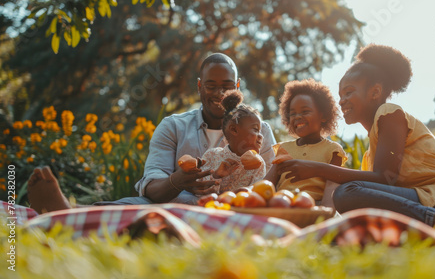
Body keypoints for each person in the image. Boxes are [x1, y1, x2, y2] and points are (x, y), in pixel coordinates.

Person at [275, 44, 435, 227]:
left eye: (349, 92)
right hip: (428, 200)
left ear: (375, 92)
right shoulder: (371, 152)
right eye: (340, 94)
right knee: (350, 198)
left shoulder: (389, 114)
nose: (342, 100)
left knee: (346, 192)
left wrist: (316, 168)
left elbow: (385, 177)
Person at [27, 53, 276, 213]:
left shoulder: (260, 130)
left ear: (238, 87)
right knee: (136, 207)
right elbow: (151, 188)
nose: (220, 94)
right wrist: (179, 180)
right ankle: (68, 213)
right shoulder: (173, 126)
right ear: (199, 86)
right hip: (173, 208)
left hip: (240, 210)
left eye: (227, 86)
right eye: (211, 85)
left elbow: (271, 183)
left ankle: (70, 213)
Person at [264, 78, 347, 206]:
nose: (297, 117)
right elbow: (267, 183)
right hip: (283, 204)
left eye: (305, 111)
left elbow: (332, 186)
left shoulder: (333, 150)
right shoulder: (284, 148)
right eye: (292, 113)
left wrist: (326, 214)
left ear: (324, 116)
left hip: (315, 205)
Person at [193, 89, 266, 193]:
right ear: (234, 130)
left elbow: (258, 194)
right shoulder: (212, 156)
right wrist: (216, 175)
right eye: (255, 129)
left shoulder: (259, 164)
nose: (261, 136)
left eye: (260, 131)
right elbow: (198, 190)